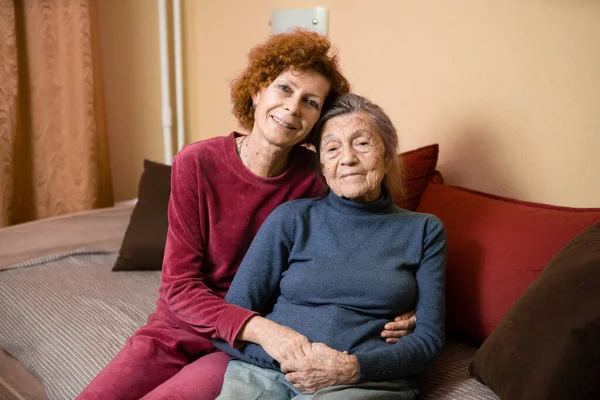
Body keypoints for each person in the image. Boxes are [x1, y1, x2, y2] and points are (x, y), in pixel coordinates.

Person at [77, 30, 415, 400]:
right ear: (257, 91)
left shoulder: (319, 175)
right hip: (185, 326)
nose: (292, 107)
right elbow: (178, 287)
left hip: (247, 346)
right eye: (284, 89)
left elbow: (373, 228)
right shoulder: (197, 162)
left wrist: (411, 305)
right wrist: (264, 331)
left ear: (317, 121)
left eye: (310, 102)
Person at [215, 93, 447, 399]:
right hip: (265, 371)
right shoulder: (292, 218)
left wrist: (352, 367)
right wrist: (291, 362)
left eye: (362, 143)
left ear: (388, 155)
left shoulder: (424, 230)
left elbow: (428, 341)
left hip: (362, 381)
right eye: (332, 148)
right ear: (323, 166)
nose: (347, 158)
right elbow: (227, 320)